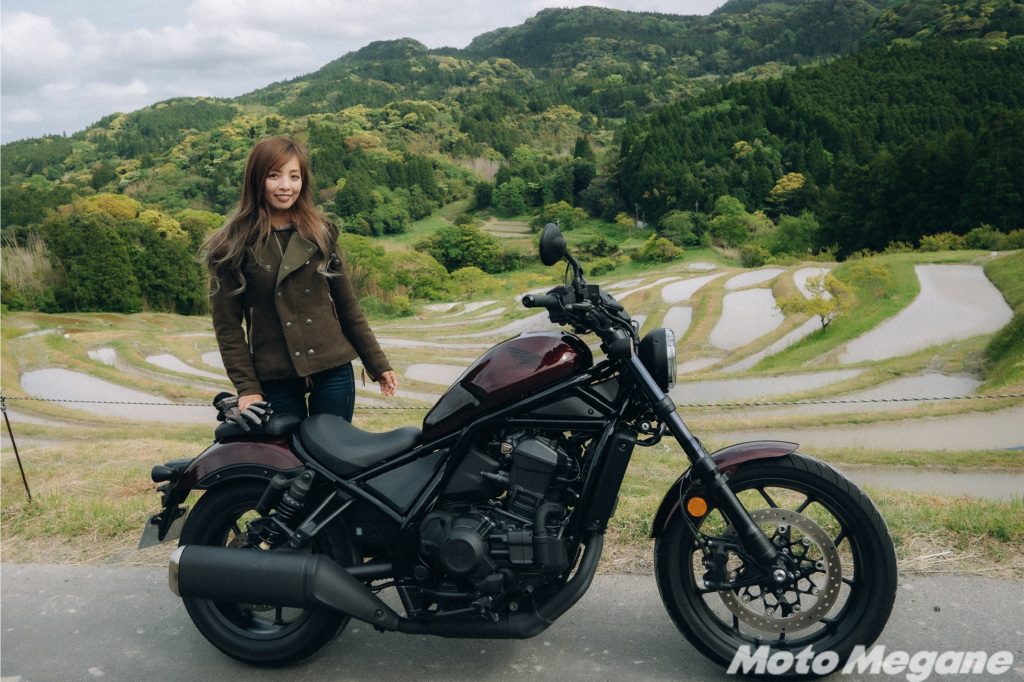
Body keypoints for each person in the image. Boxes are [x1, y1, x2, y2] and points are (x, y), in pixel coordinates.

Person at [203, 136, 397, 422]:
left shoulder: (321, 232)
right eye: (274, 175)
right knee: (285, 450)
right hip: (274, 375)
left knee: (331, 446)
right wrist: (247, 387)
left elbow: (348, 305)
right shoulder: (231, 245)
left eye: (294, 176)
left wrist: (377, 362)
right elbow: (228, 328)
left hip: (332, 368)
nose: (286, 186)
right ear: (256, 179)